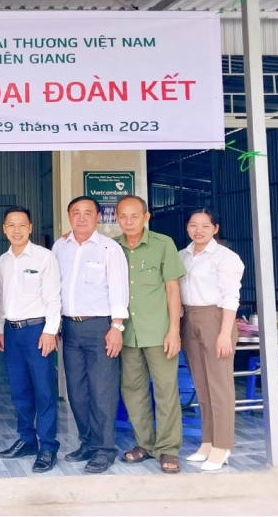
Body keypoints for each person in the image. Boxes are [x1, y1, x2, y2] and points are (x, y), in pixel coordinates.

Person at [52, 196, 129, 474]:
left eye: (88, 213)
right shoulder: (59, 247)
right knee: (77, 390)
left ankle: (105, 449)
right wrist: (54, 324)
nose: (81, 217)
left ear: (98, 217)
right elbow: (53, 287)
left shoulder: (109, 248)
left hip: (100, 328)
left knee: (102, 390)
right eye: (76, 212)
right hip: (69, 328)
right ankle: (87, 442)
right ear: (69, 216)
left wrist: (116, 327)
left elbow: (119, 288)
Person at [114, 195, 187, 474]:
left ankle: (168, 448)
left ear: (146, 217)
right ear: (116, 218)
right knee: (132, 390)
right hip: (127, 333)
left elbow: (172, 289)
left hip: (159, 332)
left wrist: (174, 330)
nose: (129, 221)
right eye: (123, 216)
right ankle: (144, 444)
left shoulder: (163, 244)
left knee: (166, 390)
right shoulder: (112, 247)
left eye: (135, 216)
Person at [0, 207, 61, 473]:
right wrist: (0, 328)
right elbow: (1, 298)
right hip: (12, 332)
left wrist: (50, 331)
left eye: (22, 225)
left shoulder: (45, 257)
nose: (17, 230)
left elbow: (54, 297)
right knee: (20, 390)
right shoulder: (3, 260)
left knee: (44, 390)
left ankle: (48, 446)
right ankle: (27, 439)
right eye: (11, 225)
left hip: (37, 331)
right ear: (4, 229)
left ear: (30, 228)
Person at [179, 209, 245, 472]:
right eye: (193, 225)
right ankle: (207, 441)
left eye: (205, 226)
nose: (198, 230)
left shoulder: (226, 258)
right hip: (189, 318)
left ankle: (222, 445)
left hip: (216, 319)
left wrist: (224, 333)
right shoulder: (182, 256)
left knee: (220, 386)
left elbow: (231, 296)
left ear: (215, 228)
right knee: (202, 385)